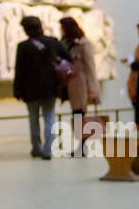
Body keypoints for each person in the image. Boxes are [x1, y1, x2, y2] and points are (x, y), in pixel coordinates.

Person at [12, 15, 69, 160]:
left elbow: (19, 71)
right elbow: (67, 57)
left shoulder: (23, 46)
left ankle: (36, 148)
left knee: (33, 119)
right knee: (50, 117)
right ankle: (49, 149)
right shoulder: (53, 42)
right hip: (50, 87)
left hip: (30, 89)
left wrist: (17, 90)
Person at [59, 16, 100, 156]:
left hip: (80, 84)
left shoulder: (83, 44)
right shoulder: (65, 43)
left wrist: (93, 89)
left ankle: (82, 146)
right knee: (76, 115)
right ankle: (80, 146)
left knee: (79, 114)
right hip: (70, 84)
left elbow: (90, 67)